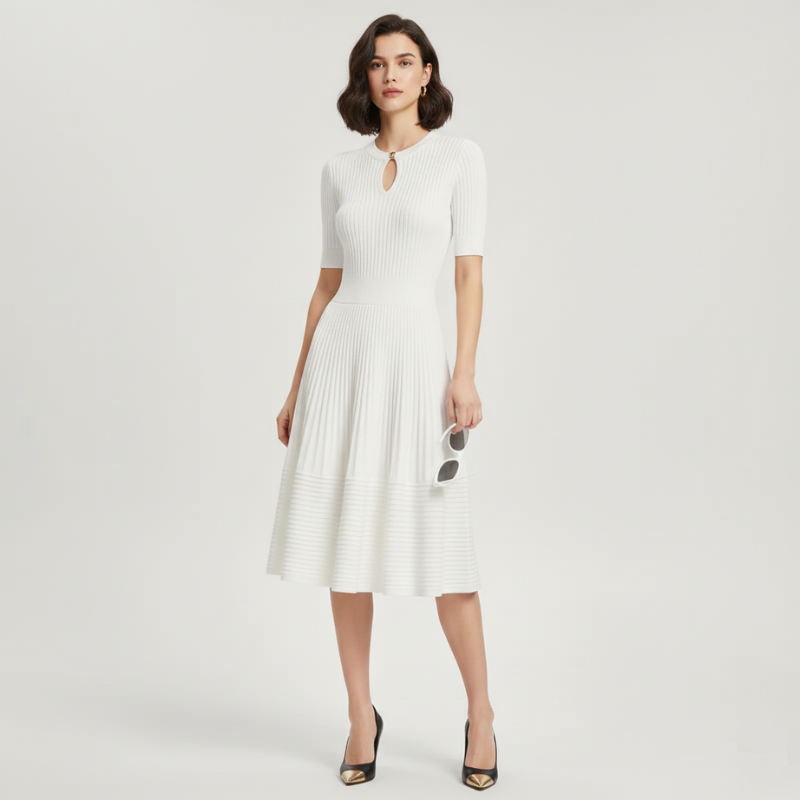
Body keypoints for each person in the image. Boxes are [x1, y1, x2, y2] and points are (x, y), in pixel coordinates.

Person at [266, 13, 498, 790]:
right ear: (364, 77)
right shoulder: (339, 170)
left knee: (446, 554)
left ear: (427, 73)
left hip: (415, 363)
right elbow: (325, 285)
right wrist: (297, 385)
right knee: (346, 552)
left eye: (405, 61)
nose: (391, 74)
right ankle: (360, 716)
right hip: (343, 363)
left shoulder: (460, 158)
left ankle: (482, 714)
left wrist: (464, 372)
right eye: (377, 63)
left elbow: (468, 273)